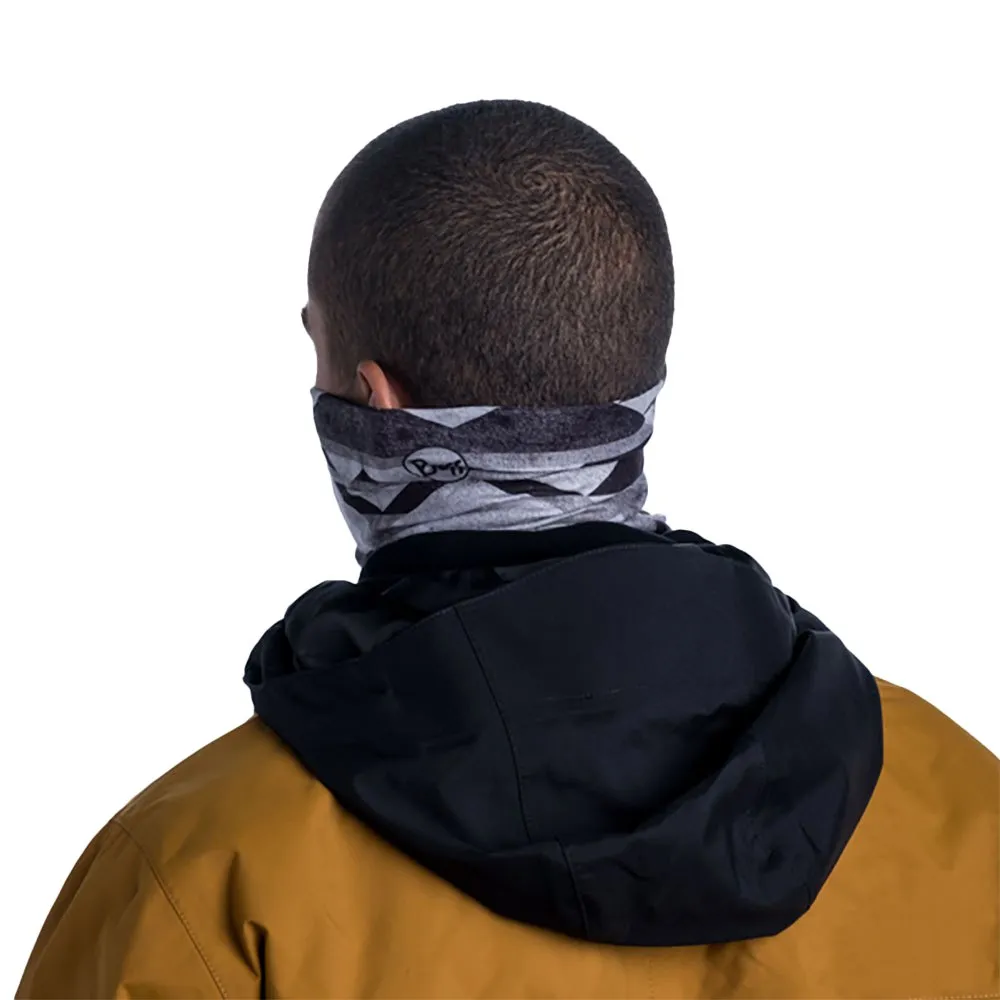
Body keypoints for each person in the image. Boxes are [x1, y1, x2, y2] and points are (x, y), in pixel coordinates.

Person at [17, 99, 998, 999]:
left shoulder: (199, 878)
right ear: (638, 373)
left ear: (373, 401)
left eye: (315, 350)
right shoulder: (959, 804)